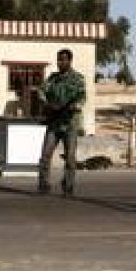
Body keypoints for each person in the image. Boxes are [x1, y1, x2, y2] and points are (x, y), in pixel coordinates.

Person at [37, 48, 86, 196]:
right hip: (54, 122)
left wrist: (73, 106)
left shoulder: (78, 78)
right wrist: (47, 104)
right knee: (45, 155)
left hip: (70, 123)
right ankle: (44, 184)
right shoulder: (52, 78)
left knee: (70, 158)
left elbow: (82, 97)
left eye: (63, 59)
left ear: (70, 61)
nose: (60, 62)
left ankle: (68, 186)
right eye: (59, 59)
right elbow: (41, 91)